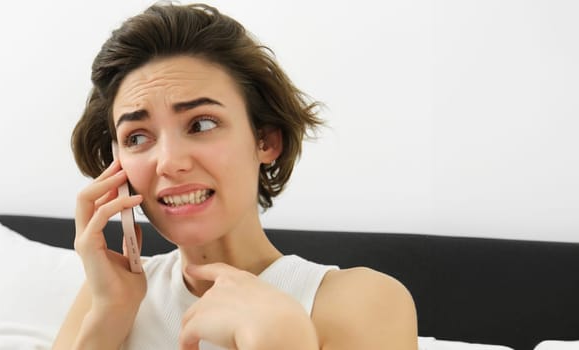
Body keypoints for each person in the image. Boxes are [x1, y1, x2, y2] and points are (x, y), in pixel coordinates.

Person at [55, 3, 417, 350]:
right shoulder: (107, 297)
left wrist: (283, 341)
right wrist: (108, 317)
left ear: (265, 140)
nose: (169, 162)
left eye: (201, 124)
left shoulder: (361, 302)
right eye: (136, 137)